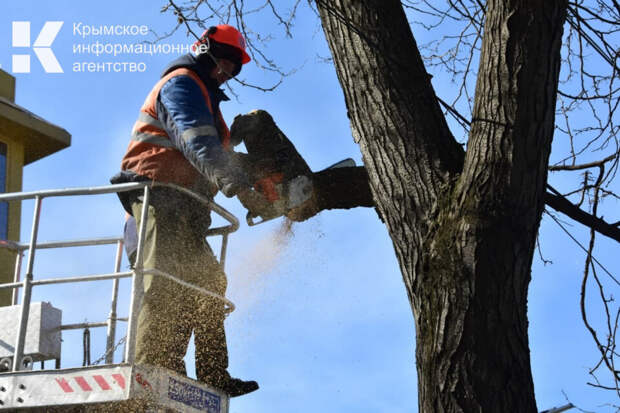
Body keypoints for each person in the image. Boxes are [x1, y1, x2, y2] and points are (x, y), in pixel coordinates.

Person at [111, 24, 258, 397]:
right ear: (204, 49)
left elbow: (211, 150)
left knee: (209, 286)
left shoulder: (204, 96)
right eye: (223, 61)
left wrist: (253, 175)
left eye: (233, 67)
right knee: (163, 283)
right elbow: (196, 141)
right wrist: (237, 185)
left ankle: (211, 374)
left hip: (185, 209)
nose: (226, 71)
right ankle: (151, 373)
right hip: (157, 201)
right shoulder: (182, 85)